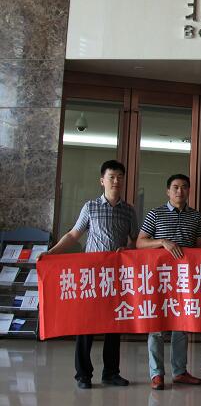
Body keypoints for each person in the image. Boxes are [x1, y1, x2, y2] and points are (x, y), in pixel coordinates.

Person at [41, 160, 138, 389]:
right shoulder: (91, 207)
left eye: (120, 177)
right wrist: (51, 253)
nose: (116, 181)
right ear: (102, 180)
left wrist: (129, 249)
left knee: (114, 325)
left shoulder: (129, 210)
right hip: (92, 276)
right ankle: (83, 375)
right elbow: (74, 235)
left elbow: (135, 240)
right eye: (112, 177)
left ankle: (111, 373)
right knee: (86, 325)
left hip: (116, 275)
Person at [136, 174, 201, 390]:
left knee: (181, 326)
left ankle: (179, 372)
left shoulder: (196, 217)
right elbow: (140, 242)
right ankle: (156, 374)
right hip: (159, 278)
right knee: (156, 326)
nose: (180, 191)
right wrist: (162, 242)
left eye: (184, 187)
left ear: (189, 191)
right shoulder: (155, 214)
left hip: (184, 279)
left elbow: (200, 249)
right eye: (175, 187)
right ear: (168, 191)